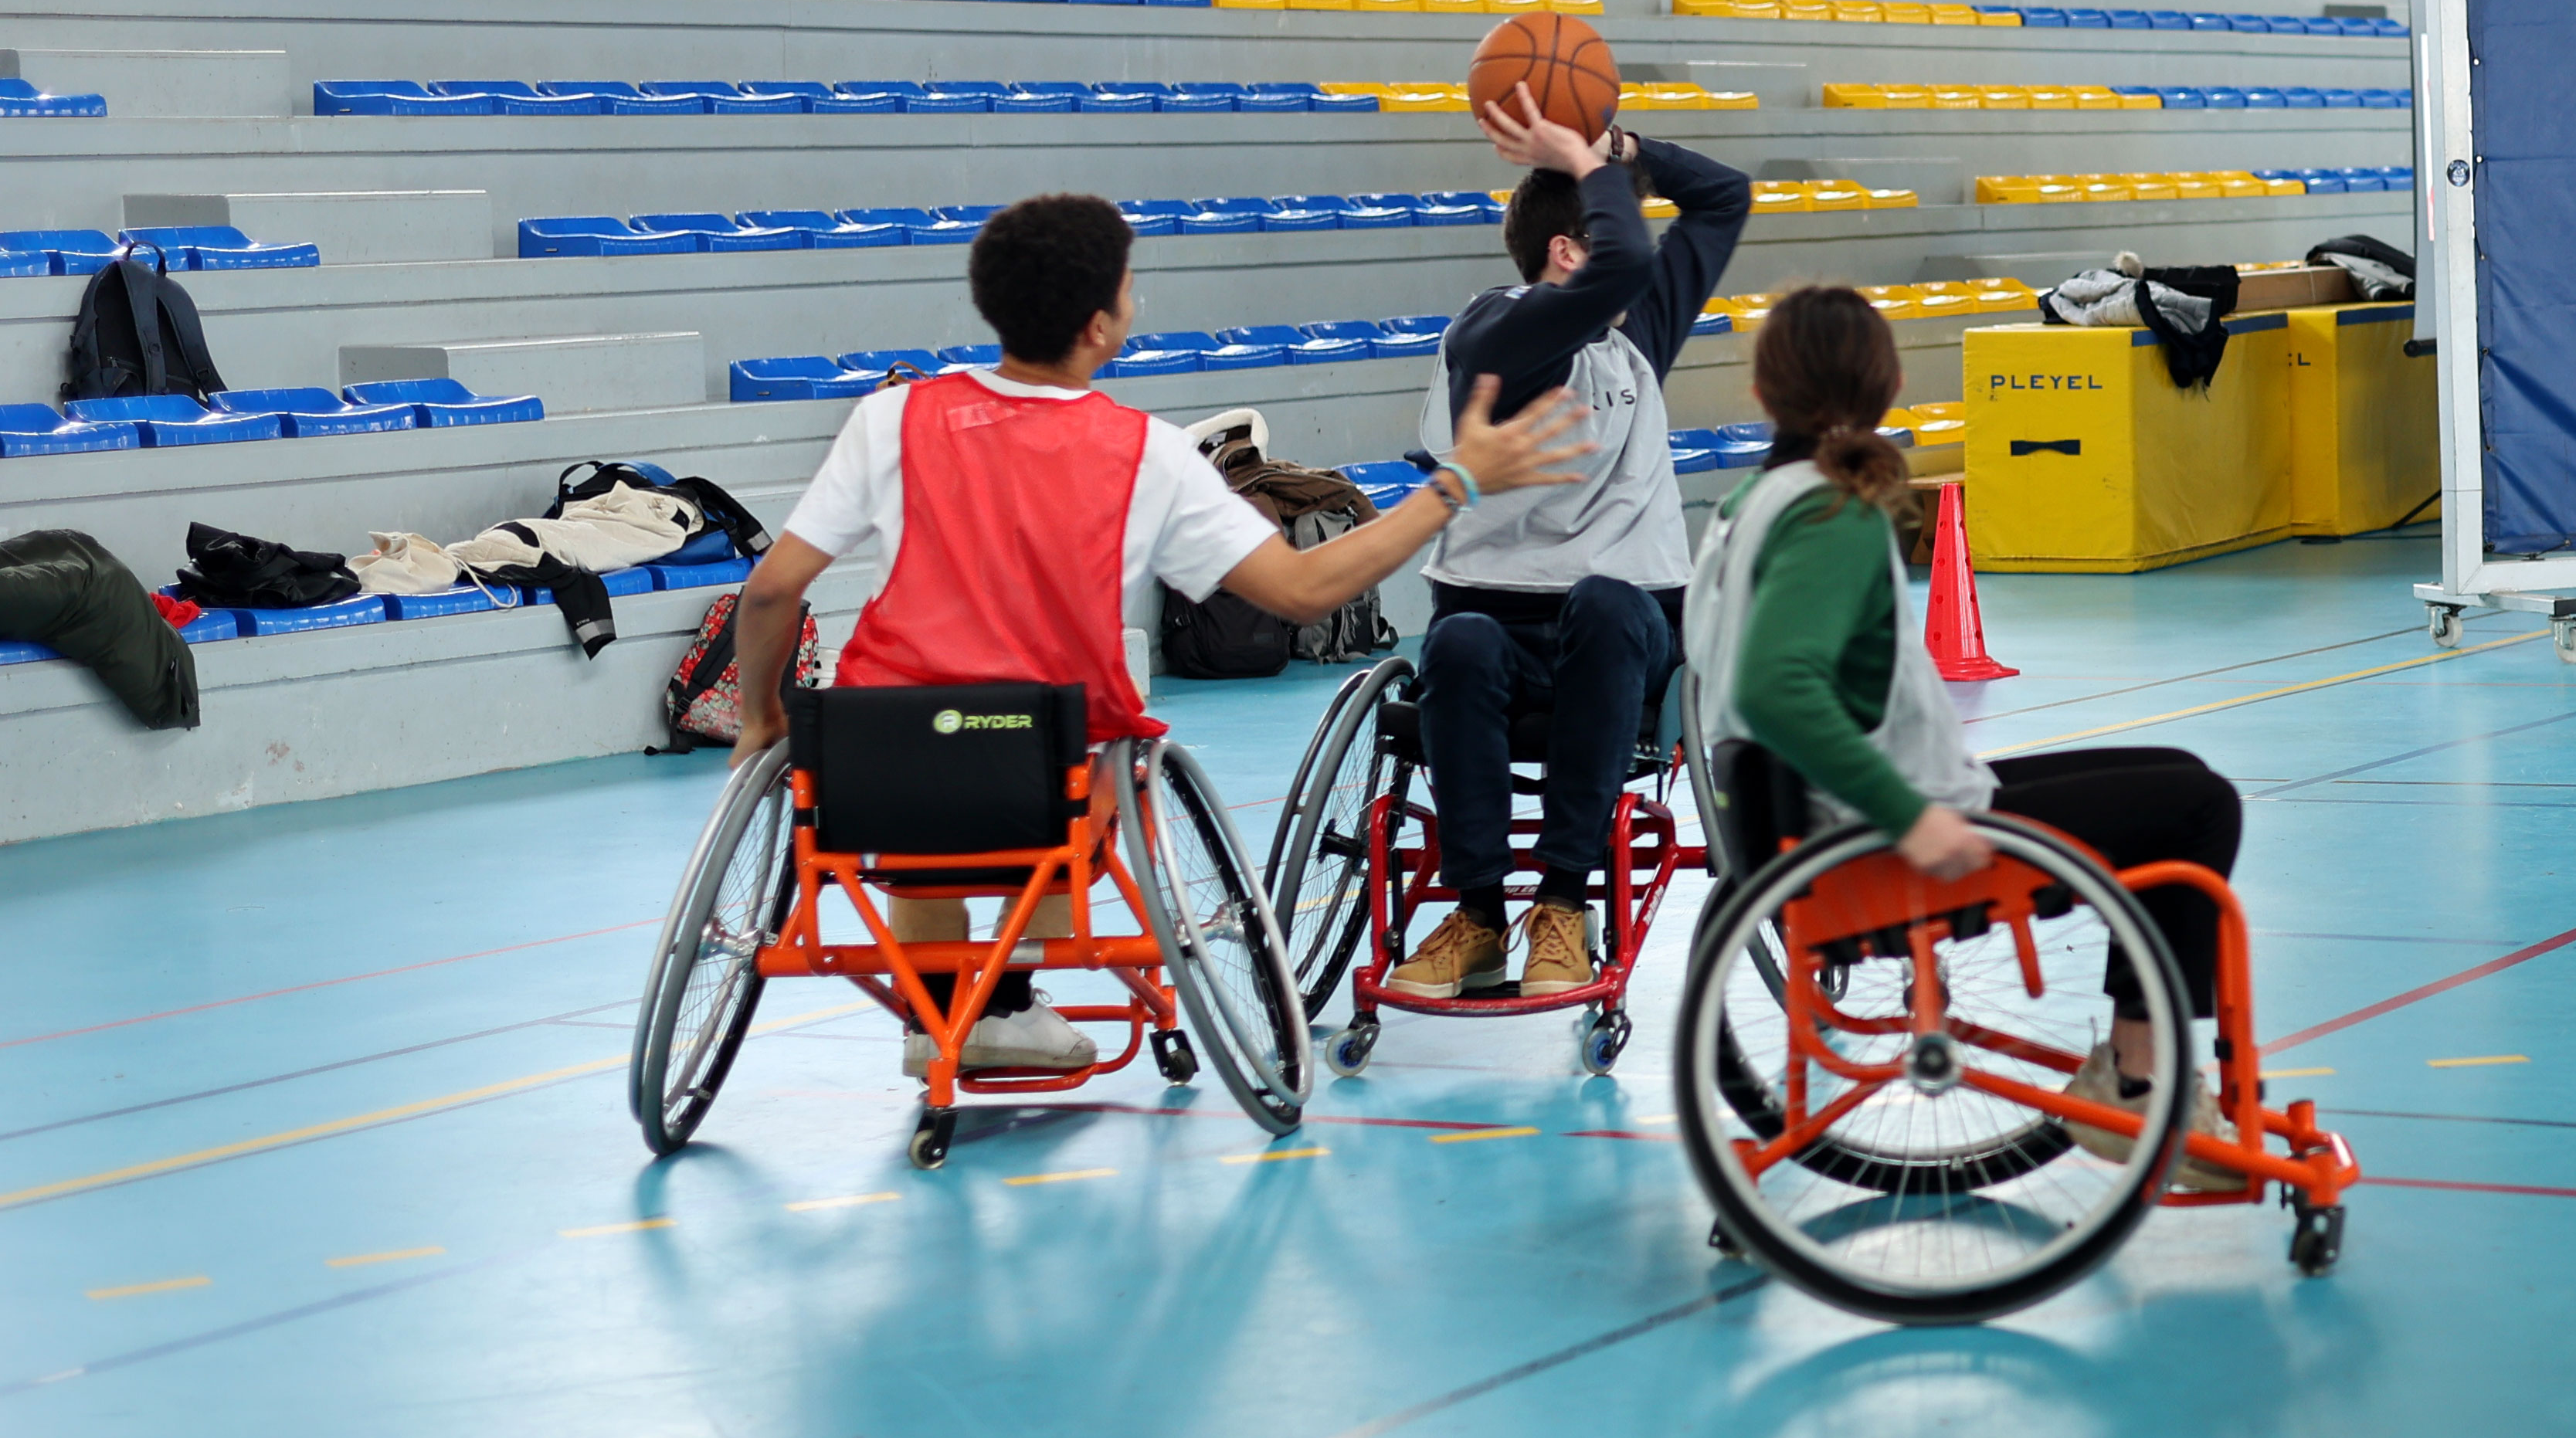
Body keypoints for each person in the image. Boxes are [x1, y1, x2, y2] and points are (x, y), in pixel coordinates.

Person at [728, 192, 1592, 1074]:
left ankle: (940, 1016)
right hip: (1046, 765)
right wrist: (1453, 487)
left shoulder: (892, 417)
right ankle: (1011, 997)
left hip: (884, 758)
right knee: (1083, 748)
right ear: (1102, 325)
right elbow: (1302, 590)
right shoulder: (1144, 452)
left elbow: (772, 593)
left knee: (931, 770)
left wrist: (763, 715)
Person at [1685, 284, 2246, 1190]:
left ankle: (2135, 1073)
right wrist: (1908, 816)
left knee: (2175, 770)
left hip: (1810, 829)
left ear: (1762, 394)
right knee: (2199, 809)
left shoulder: (1746, 505)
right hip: (1873, 842)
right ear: (1889, 383)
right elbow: (1776, 688)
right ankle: (2140, 1083)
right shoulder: (1832, 510)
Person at [1396, 86, 1753, 1002]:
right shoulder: (1498, 332)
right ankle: (1478, 915)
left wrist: (1621, 145)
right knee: (1458, 644)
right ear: (1568, 252)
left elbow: (1724, 196)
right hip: (1494, 621)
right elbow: (1628, 254)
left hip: (1624, 626)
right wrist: (1596, 170)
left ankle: (1563, 903)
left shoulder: (1635, 339)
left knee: (1602, 601)